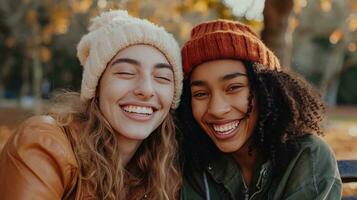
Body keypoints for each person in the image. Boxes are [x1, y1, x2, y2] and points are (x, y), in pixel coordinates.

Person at [0, 10, 183, 200]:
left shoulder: (164, 171)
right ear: (96, 87)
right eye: (126, 73)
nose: (146, 89)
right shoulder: (44, 144)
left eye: (162, 77)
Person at [177, 19, 342, 199]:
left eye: (233, 87)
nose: (216, 109)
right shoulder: (190, 162)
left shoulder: (307, 156)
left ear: (266, 90)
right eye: (200, 94)